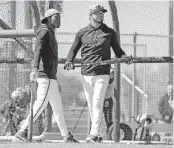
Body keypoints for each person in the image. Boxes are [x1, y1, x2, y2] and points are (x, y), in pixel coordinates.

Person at [64, 4, 132, 143]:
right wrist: (69, 61)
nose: (101, 15)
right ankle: (98, 134)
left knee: (97, 103)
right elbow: (73, 50)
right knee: (91, 104)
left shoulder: (109, 32)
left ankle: (93, 134)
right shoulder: (82, 32)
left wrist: (124, 57)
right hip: (86, 73)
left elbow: (118, 50)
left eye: (102, 13)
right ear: (91, 15)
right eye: (98, 13)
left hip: (102, 73)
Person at [12, 9, 78, 143]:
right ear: (48, 19)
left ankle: (66, 136)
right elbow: (38, 50)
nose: (59, 19)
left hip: (51, 77)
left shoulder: (50, 32)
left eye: (59, 17)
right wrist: (35, 68)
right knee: (40, 104)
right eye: (56, 17)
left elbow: (49, 56)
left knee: (58, 107)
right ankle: (22, 132)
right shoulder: (45, 31)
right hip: (45, 76)